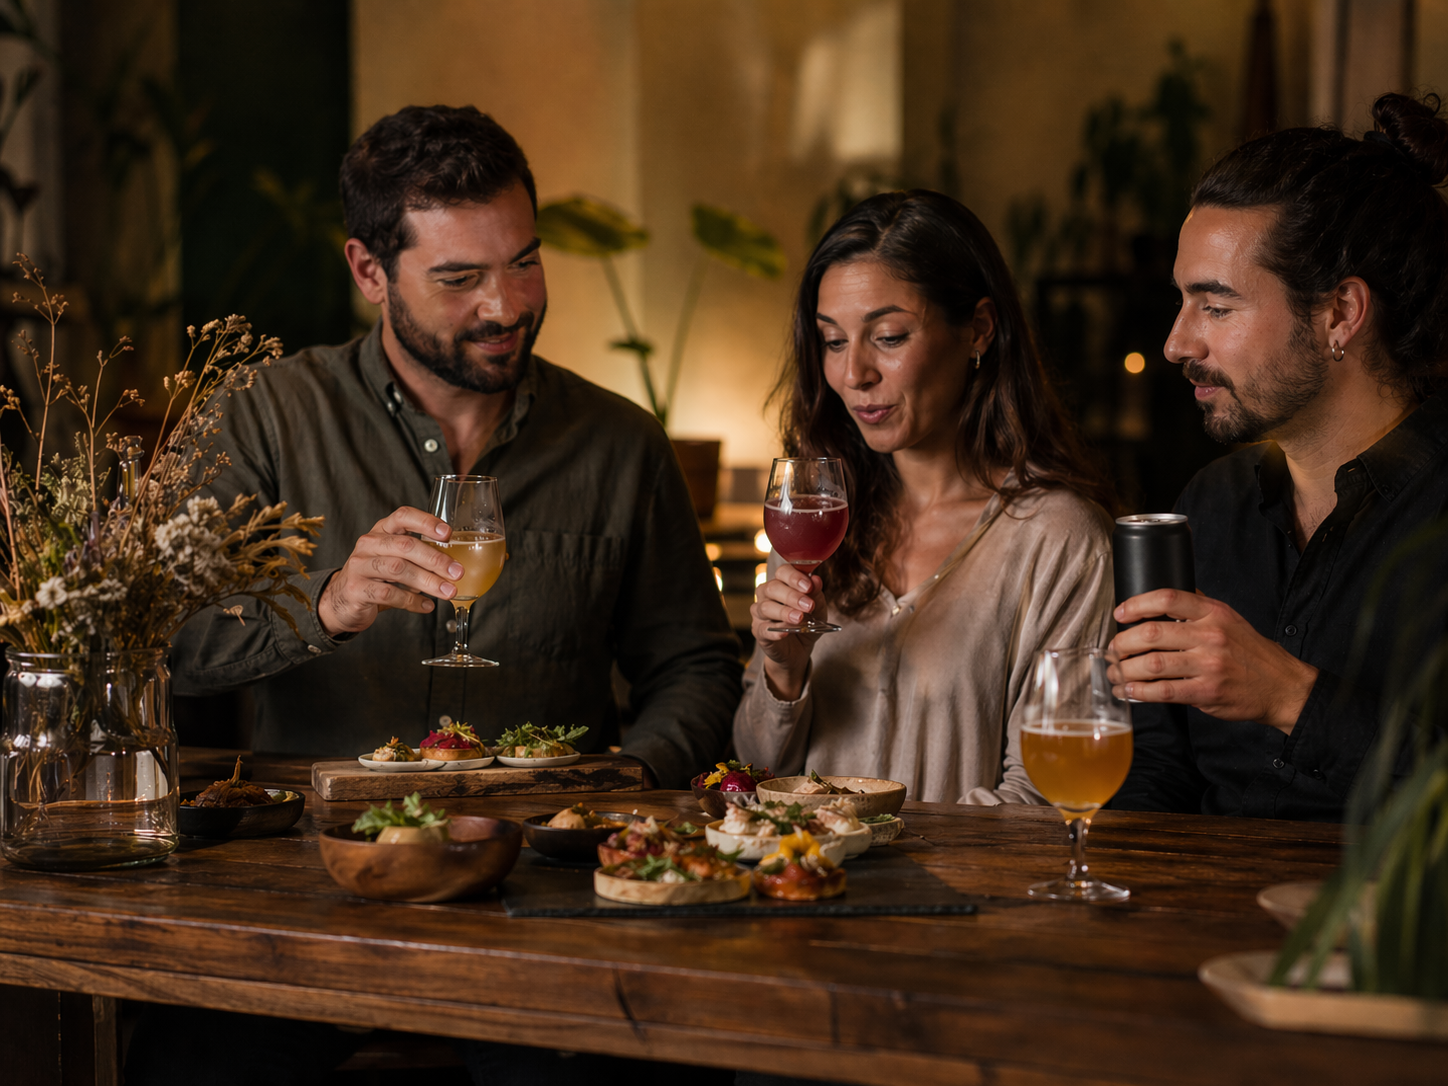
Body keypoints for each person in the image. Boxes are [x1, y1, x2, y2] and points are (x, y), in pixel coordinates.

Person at [169, 105, 741, 790]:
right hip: (320, 859)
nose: (505, 307)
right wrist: (326, 606)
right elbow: (173, 641)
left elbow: (695, 668)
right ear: (369, 271)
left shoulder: (621, 442)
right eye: (459, 279)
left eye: (524, 262)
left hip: (548, 855)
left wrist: (632, 778)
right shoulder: (264, 415)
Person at [1109, 92, 1448, 821]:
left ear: (1338, 315)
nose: (1177, 343)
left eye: (1217, 306)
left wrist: (1292, 697)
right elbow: (1159, 770)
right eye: (1182, 302)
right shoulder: (1212, 502)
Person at [733, 190, 1117, 805]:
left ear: (979, 331)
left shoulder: (1059, 539)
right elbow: (754, 772)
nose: (853, 373)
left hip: (959, 897)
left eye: (887, 336)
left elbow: (1046, 795)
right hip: (806, 890)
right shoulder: (815, 521)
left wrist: (866, 849)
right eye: (833, 341)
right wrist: (783, 671)